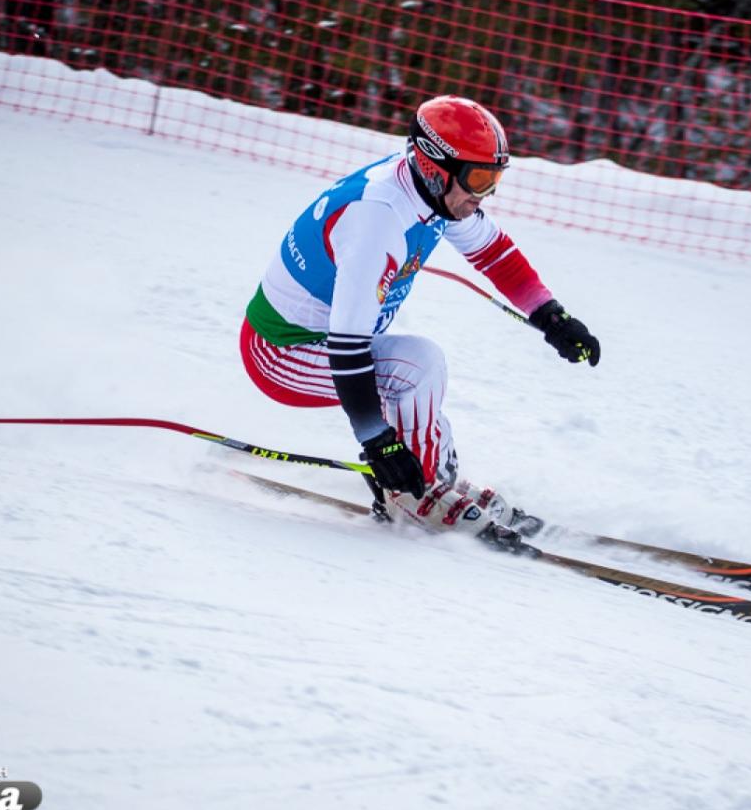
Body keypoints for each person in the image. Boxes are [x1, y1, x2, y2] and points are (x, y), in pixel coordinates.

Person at [240, 95, 600, 552]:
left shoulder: (432, 191)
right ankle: (412, 496)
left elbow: (494, 253)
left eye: (495, 180)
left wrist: (552, 317)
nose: (484, 195)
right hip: (281, 351)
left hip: (326, 342)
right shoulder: (377, 218)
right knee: (416, 369)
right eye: (479, 179)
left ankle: (435, 479)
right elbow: (346, 349)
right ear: (436, 166)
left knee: (422, 402)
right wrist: (378, 444)